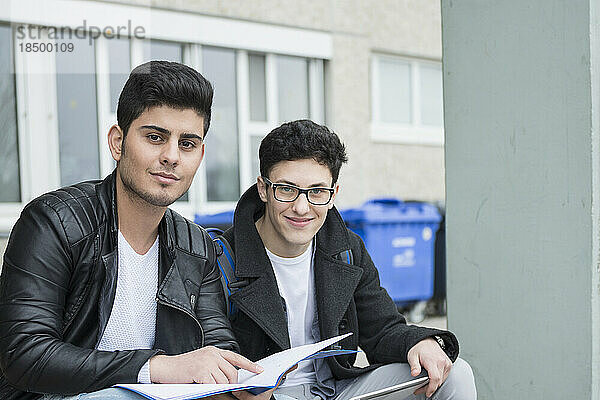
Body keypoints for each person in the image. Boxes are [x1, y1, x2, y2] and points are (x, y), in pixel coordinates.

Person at [0, 61, 270, 400]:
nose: (172, 156)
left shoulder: (197, 246)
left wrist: (237, 381)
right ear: (118, 142)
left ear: (200, 155)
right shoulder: (54, 222)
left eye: (187, 144)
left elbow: (215, 346)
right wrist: (155, 368)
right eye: (155, 137)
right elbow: (24, 353)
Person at [221, 120, 477, 400]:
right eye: (286, 189)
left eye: (317, 191)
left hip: (338, 391)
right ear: (263, 189)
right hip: (264, 395)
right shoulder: (222, 256)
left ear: (334, 195)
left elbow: (382, 329)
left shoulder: (346, 248)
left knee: (454, 374)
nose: (301, 207)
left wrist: (421, 342)